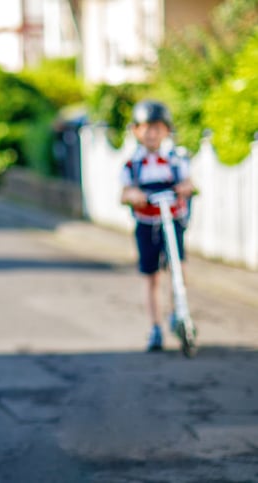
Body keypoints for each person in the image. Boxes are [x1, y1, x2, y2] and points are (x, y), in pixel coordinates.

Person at [120, 100, 196, 352]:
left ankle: (178, 312)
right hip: (146, 223)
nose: (151, 133)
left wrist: (185, 188)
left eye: (157, 128)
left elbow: (189, 183)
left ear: (166, 131)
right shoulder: (133, 164)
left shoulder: (176, 159)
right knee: (151, 276)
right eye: (146, 128)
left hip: (171, 221)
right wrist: (134, 196)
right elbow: (125, 192)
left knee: (178, 268)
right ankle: (155, 326)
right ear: (136, 131)